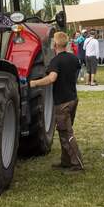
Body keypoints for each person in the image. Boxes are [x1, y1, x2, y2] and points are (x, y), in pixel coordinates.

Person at [29, 31, 84, 171]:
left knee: (66, 133)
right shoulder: (73, 58)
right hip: (73, 99)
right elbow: (76, 71)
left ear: (55, 44)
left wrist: (34, 83)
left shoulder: (56, 60)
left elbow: (52, 78)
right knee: (64, 130)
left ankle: (77, 163)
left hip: (62, 102)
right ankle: (65, 161)